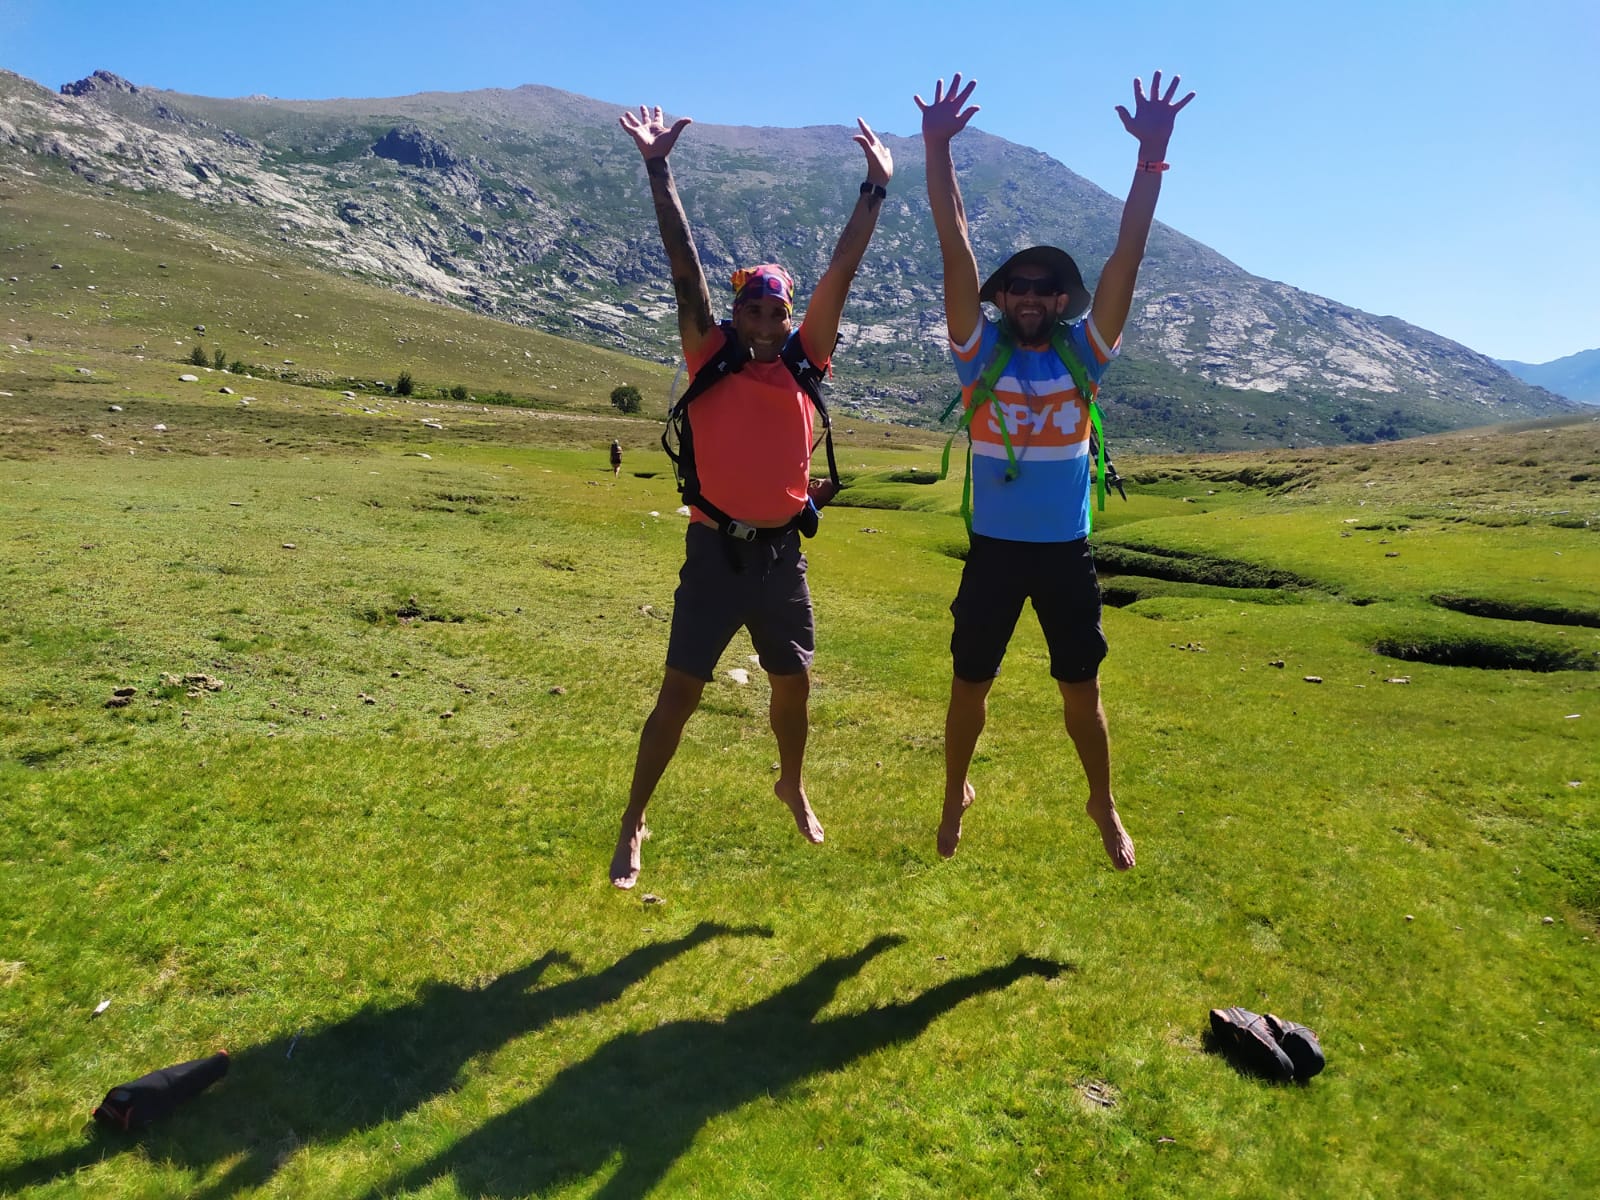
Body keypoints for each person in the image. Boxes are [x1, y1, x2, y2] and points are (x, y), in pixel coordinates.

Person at [609, 103, 893, 889]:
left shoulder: (808, 361)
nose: (767, 322)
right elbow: (682, 267)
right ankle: (635, 819)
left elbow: (841, 273)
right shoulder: (709, 355)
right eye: (755, 309)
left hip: (780, 560)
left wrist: (874, 190)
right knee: (679, 694)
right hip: (713, 554)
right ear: (735, 314)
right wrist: (658, 169)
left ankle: (791, 781)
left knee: (794, 687)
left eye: (778, 310)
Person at [916, 70, 1194, 870]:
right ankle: (953, 793)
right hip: (995, 553)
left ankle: (1102, 802)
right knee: (970, 684)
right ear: (1001, 296)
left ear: (1062, 300)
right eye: (1018, 287)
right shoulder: (979, 355)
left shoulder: (1084, 356)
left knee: (1083, 693)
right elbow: (954, 239)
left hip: (1066, 554)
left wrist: (1153, 159)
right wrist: (938, 149)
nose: (1030, 296)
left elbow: (1126, 259)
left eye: (1045, 288)